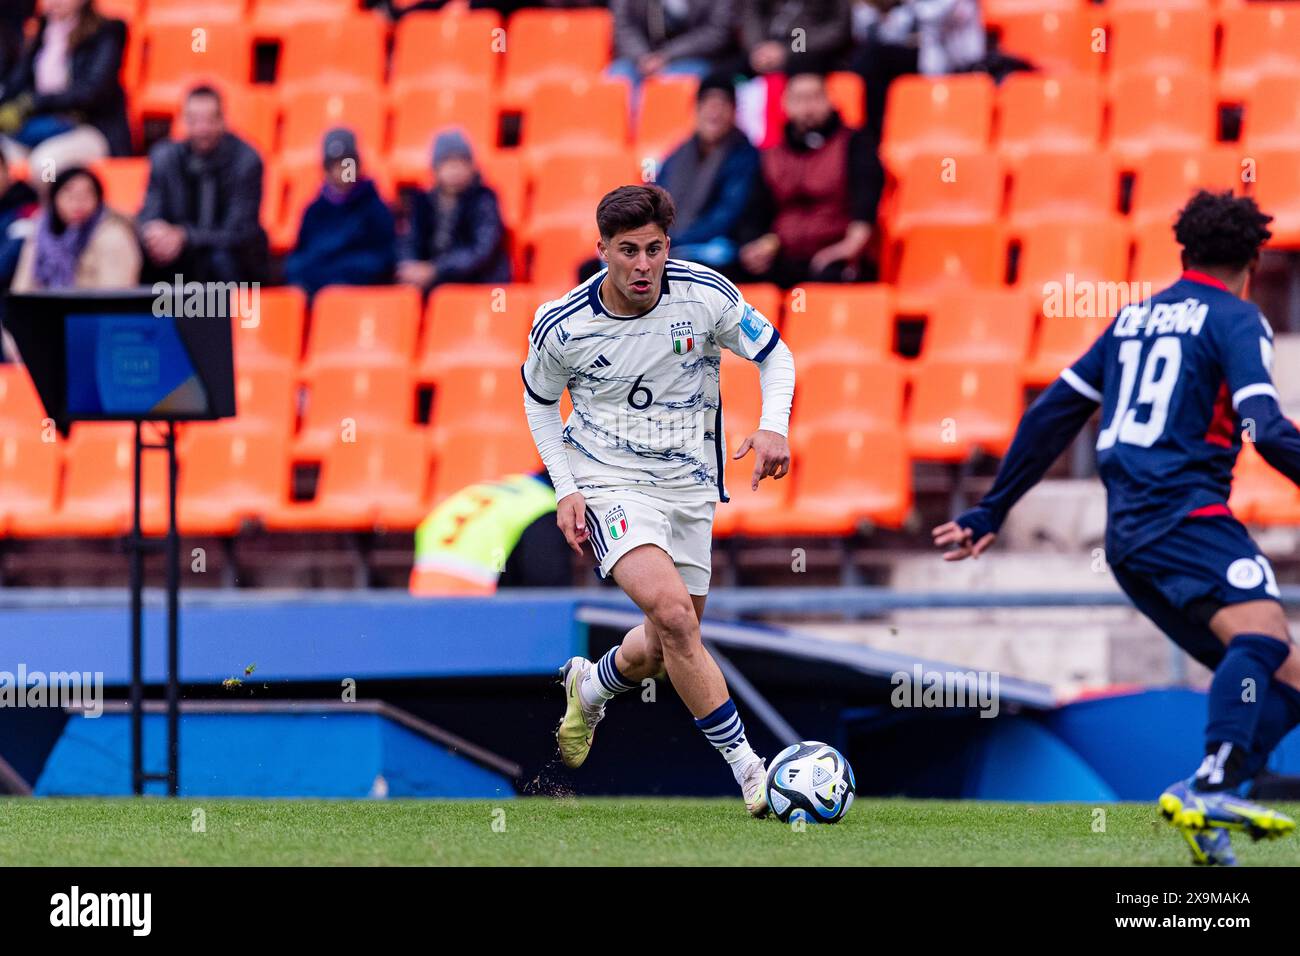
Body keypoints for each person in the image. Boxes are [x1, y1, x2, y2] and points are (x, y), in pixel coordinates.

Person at [933, 191, 1300, 866]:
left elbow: (1052, 415)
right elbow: (1266, 429)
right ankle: (1216, 785)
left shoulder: (1132, 320)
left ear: (1183, 253)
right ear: (1253, 261)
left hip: (1129, 538)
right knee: (1263, 638)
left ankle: (1204, 800)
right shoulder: (1236, 318)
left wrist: (992, 509)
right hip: (1186, 515)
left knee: (1288, 675)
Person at [522, 184, 796, 814]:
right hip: (609, 480)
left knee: (668, 642)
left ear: (667, 246)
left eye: (653, 249)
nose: (643, 264)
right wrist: (567, 488)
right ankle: (754, 776)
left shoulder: (705, 295)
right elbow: (538, 402)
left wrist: (774, 423)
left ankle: (590, 686)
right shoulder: (563, 326)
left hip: (691, 486)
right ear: (602, 252)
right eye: (628, 251)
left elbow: (774, 356)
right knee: (675, 615)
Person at [738, 67, 883, 286]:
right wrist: (755, 247)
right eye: (799, 99)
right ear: (785, 104)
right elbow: (755, 211)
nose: (808, 107)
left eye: (815, 97)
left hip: (837, 253)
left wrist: (847, 249)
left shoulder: (855, 143)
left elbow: (865, 203)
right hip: (785, 254)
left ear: (829, 100)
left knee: (828, 279)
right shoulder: (772, 154)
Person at [138, 85, 268, 285]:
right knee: (143, 251)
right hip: (178, 256)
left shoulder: (246, 160)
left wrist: (184, 237)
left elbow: (239, 230)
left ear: (223, 120)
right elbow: (150, 212)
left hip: (233, 259)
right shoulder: (165, 158)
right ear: (184, 121)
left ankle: (228, 315)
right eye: (194, 120)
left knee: (220, 258)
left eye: (209, 120)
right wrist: (156, 234)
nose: (202, 129)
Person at [0, 0, 131, 176]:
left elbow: (92, 92)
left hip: (89, 129)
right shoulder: (43, 31)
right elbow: (16, 83)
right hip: (39, 128)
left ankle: (50, 204)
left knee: (46, 165)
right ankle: (20, 204)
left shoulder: (108, 31)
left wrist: (34, 103)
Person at [655, 73, 760, 273]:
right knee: (597, 268)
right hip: (673, 243)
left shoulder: (744, 155)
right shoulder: (679, 154)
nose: (714, 112)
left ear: (734, 112)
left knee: (685, 268)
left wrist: (676, 239)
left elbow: (727, 215)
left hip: (716, 245)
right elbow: (655, 198)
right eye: (707, 104)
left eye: (722, 105)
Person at [410, 471, 574, 596]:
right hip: (472, 604)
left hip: (423, 594)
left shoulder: (500, 488)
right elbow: (547, 591)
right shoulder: (542, 507)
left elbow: (498, 552)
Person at [285, 128, 397, 298]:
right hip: (319, 289)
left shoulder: (375, 207)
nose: (341, 172)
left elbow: (383, 260)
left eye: (346, 164)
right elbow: (301, 257)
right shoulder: (314, 210)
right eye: (334, 165)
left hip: (357, 291)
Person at [853, 0, 985, 143]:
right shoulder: (909, 7)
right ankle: (873, 136)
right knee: (867, 60)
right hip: (930, 68)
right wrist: (883, 12)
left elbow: (934, 15)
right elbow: (882, 32)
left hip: (963, 68)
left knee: (874, 58)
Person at [396, 129, 509, 293]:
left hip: (475, 285)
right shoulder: (422, 203)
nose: (455, 169)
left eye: (461, 162)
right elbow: (409, 241)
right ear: (435, 169)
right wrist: (409, 266)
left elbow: (482, 252)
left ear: (472, 166)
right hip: (433, 286)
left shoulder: (484, 200)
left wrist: (436, 270)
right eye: (448, 162)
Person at [11, 165, 138, 291]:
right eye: (69, 193)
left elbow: (115, 297)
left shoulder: (113, 236)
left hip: (90, 310)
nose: (78, 202)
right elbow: (21, 291)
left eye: (86, 194)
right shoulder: (39, 232)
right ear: (54, 199)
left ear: (99, 200)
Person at [609, 0, 737, 87]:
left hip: (691, 57)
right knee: (617, 79)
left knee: (679, 84)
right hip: (640, 57)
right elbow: (624, 26)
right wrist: (643, 57)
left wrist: (666, 56)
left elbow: (716, 32)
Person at [740, 0, 853, 75]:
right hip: (764, 45)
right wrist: (758, 47)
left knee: (801, 66)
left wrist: (787, 50)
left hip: (808, 49)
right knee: (730, 74)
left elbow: (838, 29)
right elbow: (751, 16)